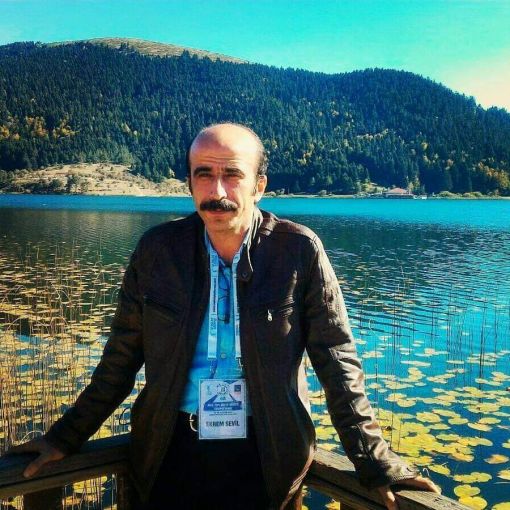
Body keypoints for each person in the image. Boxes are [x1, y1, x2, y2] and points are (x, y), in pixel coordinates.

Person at [7, 123, 439, 509]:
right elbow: (119, 361)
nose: (217, 191)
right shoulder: (158, 252)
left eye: (232, 174)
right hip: (168, 450)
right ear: (189, 184)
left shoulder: (297, 251)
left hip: (267, 454)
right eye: (204, 174)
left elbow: (337, 362)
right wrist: (65, 437)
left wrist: (375, 461)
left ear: (258, 185)